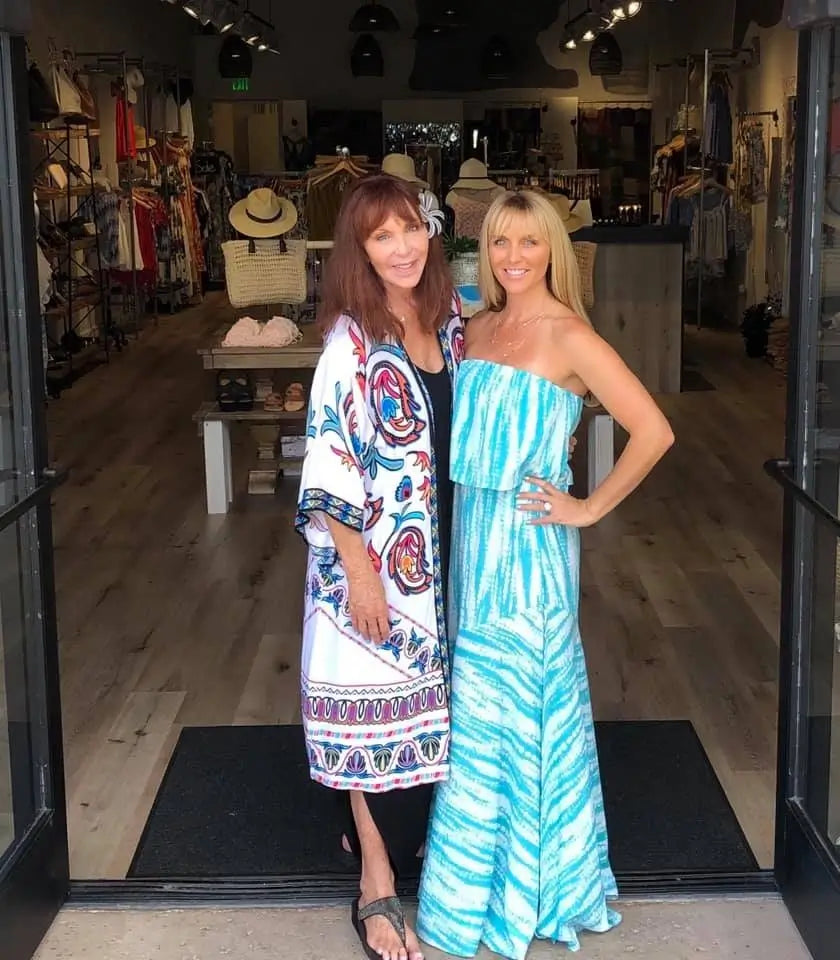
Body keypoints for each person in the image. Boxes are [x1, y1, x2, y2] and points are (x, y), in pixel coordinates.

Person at [416, 189, 675, 960]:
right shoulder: (478, 326)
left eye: (529, 243)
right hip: (473, 542)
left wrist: (590, 508)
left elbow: (654, 430)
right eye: (501, 244)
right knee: (479, 718)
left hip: (530, 553)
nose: (514, 258)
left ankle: (536, 889)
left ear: (553, 250)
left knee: (527, 713)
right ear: (483, 251)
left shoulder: (569, 335)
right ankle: (476, 887)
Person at [295, 173, 461, 960]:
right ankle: (374, 879)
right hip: (374, 570)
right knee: (365, 717)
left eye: (410, 229)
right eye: (380, 236)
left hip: (446, 554)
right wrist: (360, 575)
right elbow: (328, 468)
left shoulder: (448, 318)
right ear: (359, 252)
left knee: (428, 719)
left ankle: (430, 853)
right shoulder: (350, 343)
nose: (402, 247)